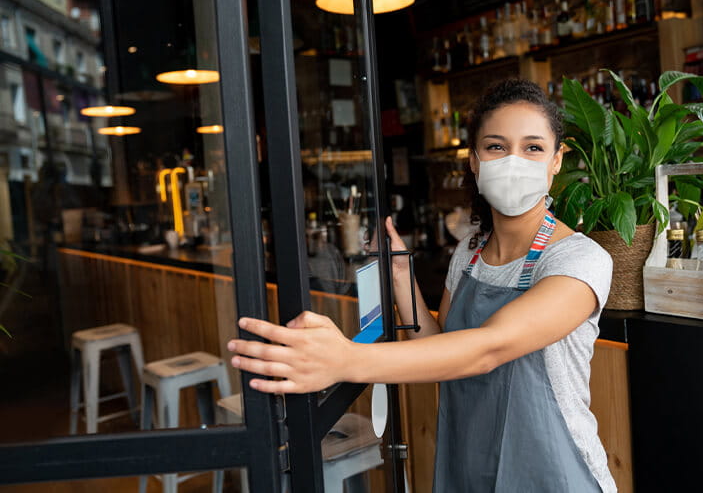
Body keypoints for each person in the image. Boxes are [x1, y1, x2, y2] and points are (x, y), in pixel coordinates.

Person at [228, 78, 616, 492]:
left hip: (553, 473)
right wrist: (401, 275)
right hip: (468, 466)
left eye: (533, 148)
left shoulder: (579, 259)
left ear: (556, 160)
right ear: (474, 160)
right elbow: (441, 347)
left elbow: (488, 348)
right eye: (496, 147)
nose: (514, 161)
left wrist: (345, 359)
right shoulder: (469, 252)